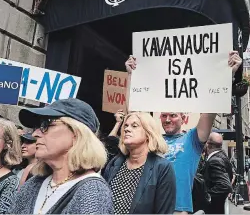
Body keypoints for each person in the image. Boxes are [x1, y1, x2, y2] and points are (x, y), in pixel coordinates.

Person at [125, 50, 242, 213]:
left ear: (183, 117)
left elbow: (210, 111)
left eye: (173, 115)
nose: (167, 120)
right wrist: (131, 76)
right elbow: (132, 114)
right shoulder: (152, 138)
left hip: (177, 210)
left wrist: (227, 74)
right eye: (164, 115)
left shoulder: (192, 140)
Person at [8, 98, 113, 214]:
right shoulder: (34, 183)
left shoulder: (92, 191)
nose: (35, 134)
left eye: (45, 125)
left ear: (76, 134)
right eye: (37, 127)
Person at [103, 112, 176, 214]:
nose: (127, 129)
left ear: (148, 133)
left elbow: (164, 212)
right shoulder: (115, 163)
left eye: (134, 126)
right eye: (126, 126)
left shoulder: (162, 168)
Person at [203, 132, 233, 214]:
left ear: (208, 144)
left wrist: (207, 196)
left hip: (214, 208)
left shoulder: (215, 160)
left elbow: (224, 186)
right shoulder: (223, 156)